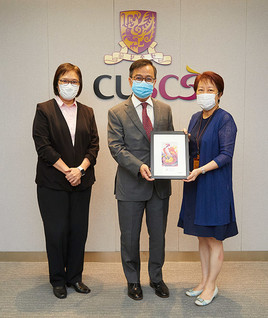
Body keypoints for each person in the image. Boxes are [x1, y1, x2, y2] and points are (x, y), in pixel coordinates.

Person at [107, 59, 174, 301]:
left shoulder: (165, 109)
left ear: (155, 82)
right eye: (139, 78)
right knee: (130, 236)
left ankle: (156, 278)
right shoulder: (116, 112)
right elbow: (116, 147)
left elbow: (170, 145)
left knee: (158, 236)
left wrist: (181, 148)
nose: (143, 82)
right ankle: (133, 281)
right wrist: (140, 166)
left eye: (148, 79)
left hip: (159, 186)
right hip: (130, 185)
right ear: (130, 80)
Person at [32, 63, 99, 299]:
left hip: (82, 181)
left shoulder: (88, 111)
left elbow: (94, 146)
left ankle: (75, 278)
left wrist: (79, 170)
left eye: (74, 81)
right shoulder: (44, 110)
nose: (69, 85)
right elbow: (43, 147)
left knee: (78, 231)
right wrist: (67, 171)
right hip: (52, 183)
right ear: (56, 82)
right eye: (65, 80)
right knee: (56, 231)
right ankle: (58, 279)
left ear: (80, 85)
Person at [178, 71, 238, 306]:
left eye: (210, 90)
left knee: (214, 238)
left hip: (214, 186)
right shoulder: (194, 117)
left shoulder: (225, 119)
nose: (204, 94)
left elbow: (226, 155)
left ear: (220, 94)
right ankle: (203, 281)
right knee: (202, 237)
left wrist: (201, 170)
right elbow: (194, 150)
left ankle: (212, 286)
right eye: (200, 90)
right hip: (195, 184)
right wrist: (184, 140)